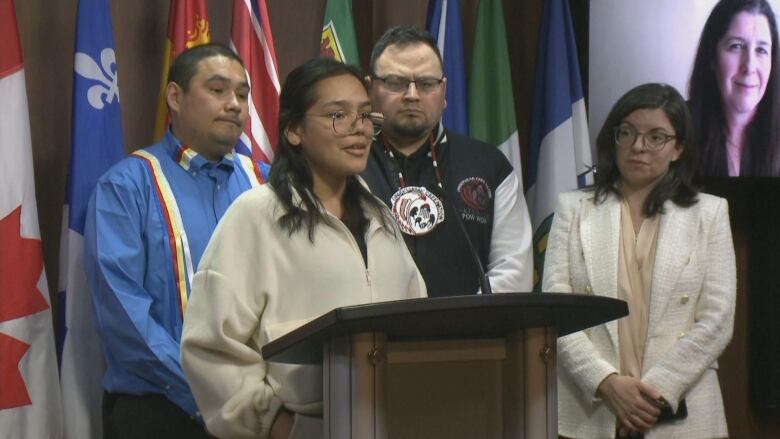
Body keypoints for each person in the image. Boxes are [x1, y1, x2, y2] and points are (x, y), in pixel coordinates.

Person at [180, 57, 426, 439]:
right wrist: (279, 426)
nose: (358, 130)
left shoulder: (381, 217)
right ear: (294, 130)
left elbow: (417, 322)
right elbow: (209, 347)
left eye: (364, 116)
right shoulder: (256, 215)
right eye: (337, 116)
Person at [83, 43, 265, 438]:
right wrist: (214, 392)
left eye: (242, 94)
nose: (234, 104)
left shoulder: (267, 183)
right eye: (217, 90)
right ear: (176, 97)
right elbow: (125, 319)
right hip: (161, 413)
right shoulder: (127, 186)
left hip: (262, 411)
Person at [543, 83, 736, 438]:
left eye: (656, 137)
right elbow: (556, 314)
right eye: (627, 133)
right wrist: (607, 383)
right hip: (592, 410)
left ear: (678, 148)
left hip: (682, 413)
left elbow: (718, 321)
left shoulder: (709, 214)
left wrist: (652, 395)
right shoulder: (573, 209)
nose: (637, 146)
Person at [361, 25, 533, 297]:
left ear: (444, 91)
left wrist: (457, 327)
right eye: (396, 82)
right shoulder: (347, 165)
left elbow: (513, 273)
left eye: (427, 84)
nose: (412, 95)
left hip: (468, 336)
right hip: (370, 335)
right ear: (370, 89)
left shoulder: (489, 166)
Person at [689, 0, 780, 176]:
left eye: (761, 50)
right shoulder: (677, 130)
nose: (750, 66)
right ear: (712, 58)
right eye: (736, 46)